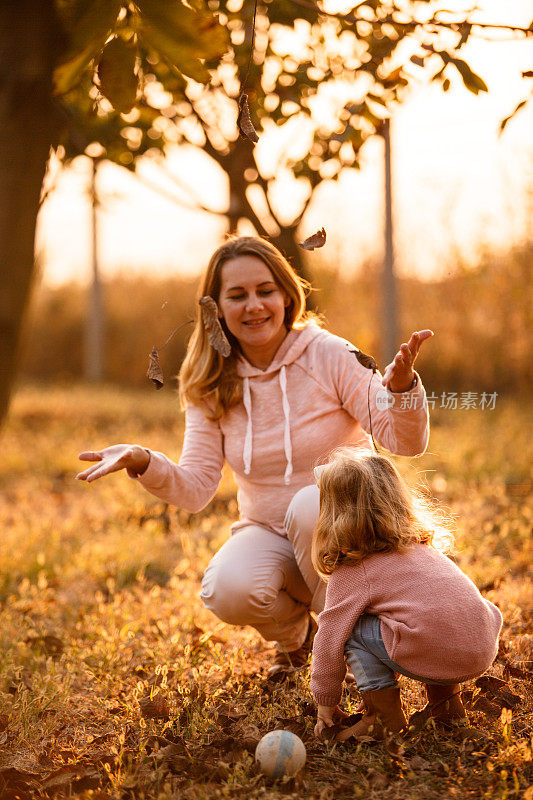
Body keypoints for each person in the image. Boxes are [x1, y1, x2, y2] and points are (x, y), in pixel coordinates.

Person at [76, 235, 433, 677]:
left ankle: (365, 649)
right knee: (228, 589)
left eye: (264, 290)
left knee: (310, 504)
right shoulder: (209, 376)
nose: (254, 305)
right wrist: (144, 460)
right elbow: (196, 488)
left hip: (348, 523)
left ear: (286, 294)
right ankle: (298, 640)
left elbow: (403, 442)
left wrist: (400, 392)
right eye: (237, 295)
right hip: (269, 530)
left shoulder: (331, 353)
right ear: (216, 309)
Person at [310, 448, 503, 741]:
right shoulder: (424, 549)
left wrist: (325, 702)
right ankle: (448, 708)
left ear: (332, 513)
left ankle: (382, 717)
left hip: (437, 646)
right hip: (479, 644)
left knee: (348, 628)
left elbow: (328, 637)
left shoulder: (353, 569)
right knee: (433, 619)